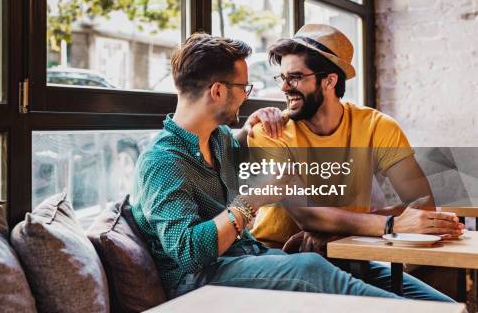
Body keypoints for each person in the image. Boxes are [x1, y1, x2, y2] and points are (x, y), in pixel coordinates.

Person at [130, 32, 403, 301]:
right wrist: (251, 200)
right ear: (217, 91)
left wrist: (253, 126)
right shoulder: (162, 162)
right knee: (309, 268)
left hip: (247, 257)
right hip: (200, 281)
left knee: (352, 268)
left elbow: (240, 161)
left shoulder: (218, 140)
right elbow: (189, 253)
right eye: (243, 88)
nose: (246, 97)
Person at [249, 23, 460, 301]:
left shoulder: (376, 125)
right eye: (283, 77)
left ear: (329, 80)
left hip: (348, 251)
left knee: (444, 307)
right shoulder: (270, 132)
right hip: (281, 256)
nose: (285, 87)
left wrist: (336, 233)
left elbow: (421, 203)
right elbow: (307, 214)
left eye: (296, 77)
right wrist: (388, 225)